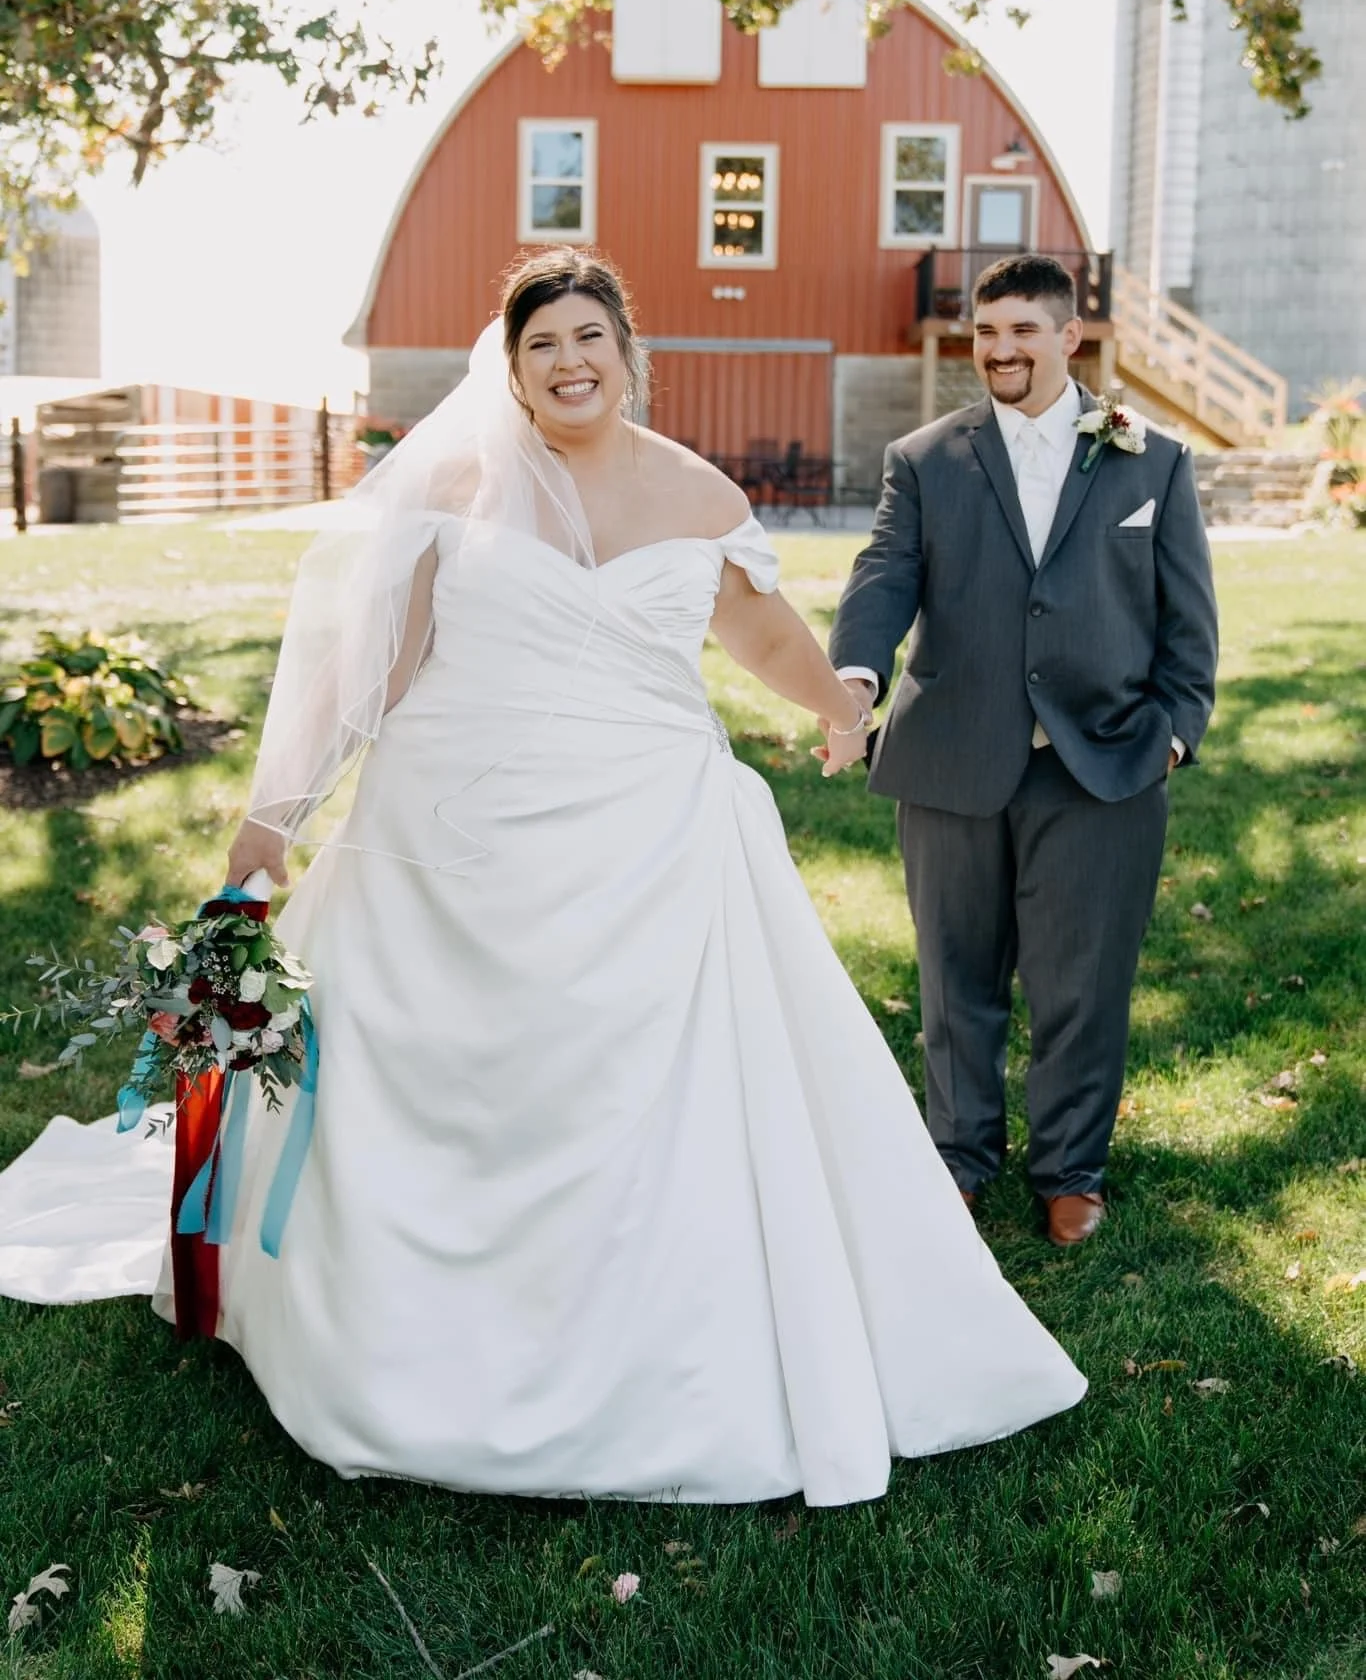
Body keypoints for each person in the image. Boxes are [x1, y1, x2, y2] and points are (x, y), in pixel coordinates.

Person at [0, 249, 1084, 1506]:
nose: (570, 362)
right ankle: (407, 1337)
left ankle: (661, 1343)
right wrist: (273, 818)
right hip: (455, 835)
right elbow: (379, 671)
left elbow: (764, 634)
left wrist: (842, 697)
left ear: (630, 352)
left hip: (654, 835)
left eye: (590, 337)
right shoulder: (457, 486)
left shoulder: (693, 490)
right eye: (542, 345)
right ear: (509, 370)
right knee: (443, 1073)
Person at [827, 253, 1219, 1247]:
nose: (999, 350)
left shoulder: (1152, 460)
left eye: (1022, 331)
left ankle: (1070, 1170)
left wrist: (1174, 729)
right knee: (954, 977)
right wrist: (855, 681)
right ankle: (958, 1158)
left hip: (1107, 764)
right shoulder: (923, 457)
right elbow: (882, 578)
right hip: (954, 757)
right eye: (986, 332)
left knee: (1082, 985)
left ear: (1068, 336)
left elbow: (1187, 621)